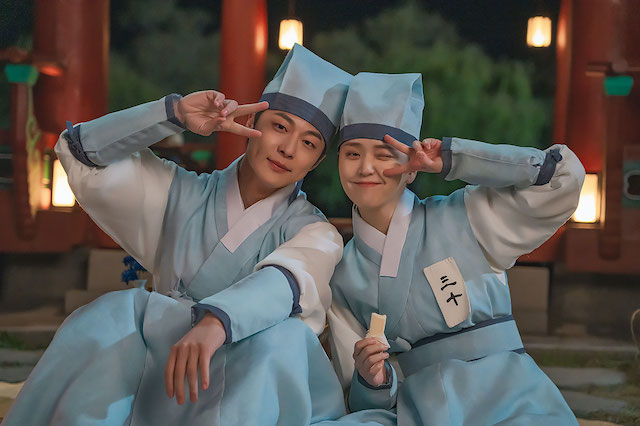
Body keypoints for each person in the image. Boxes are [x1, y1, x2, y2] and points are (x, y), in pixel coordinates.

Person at [3, 44, 356, 426]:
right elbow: (80, 152)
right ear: (252, 120)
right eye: (280, 127)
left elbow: (286, 281)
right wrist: (171, 114)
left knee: (283, 339)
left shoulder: (315, 232)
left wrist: (216, 322)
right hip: (158, 362)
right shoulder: (179, 192)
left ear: (318, 160)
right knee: (113, 315)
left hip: (249, 377)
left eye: (308, 143)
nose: (287, 149)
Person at [328, 72, 584, 425]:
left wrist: (455, 158)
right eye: (352, 153)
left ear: (412, 170)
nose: (365, 167)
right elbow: (358, 395)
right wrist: (374, 380)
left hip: (508, 396)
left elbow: (563, 177)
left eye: (384, 155)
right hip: (420, 410)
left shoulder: (465, 214)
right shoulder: (343, 274)